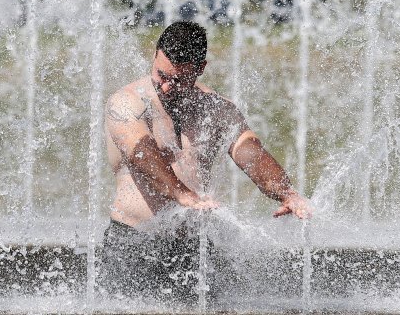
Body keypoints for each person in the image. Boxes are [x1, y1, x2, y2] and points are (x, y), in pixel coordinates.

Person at [100, 21, 311, 302]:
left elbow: (250, 151)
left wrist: (286, 192)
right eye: (161, 75)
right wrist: (180, 193)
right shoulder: (127, 103)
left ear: (199, 69)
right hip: (134, 243)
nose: (165, 87)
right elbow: (142, 153)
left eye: (177, 80)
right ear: (155, 56)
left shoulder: (217, 108)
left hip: (193, 248)